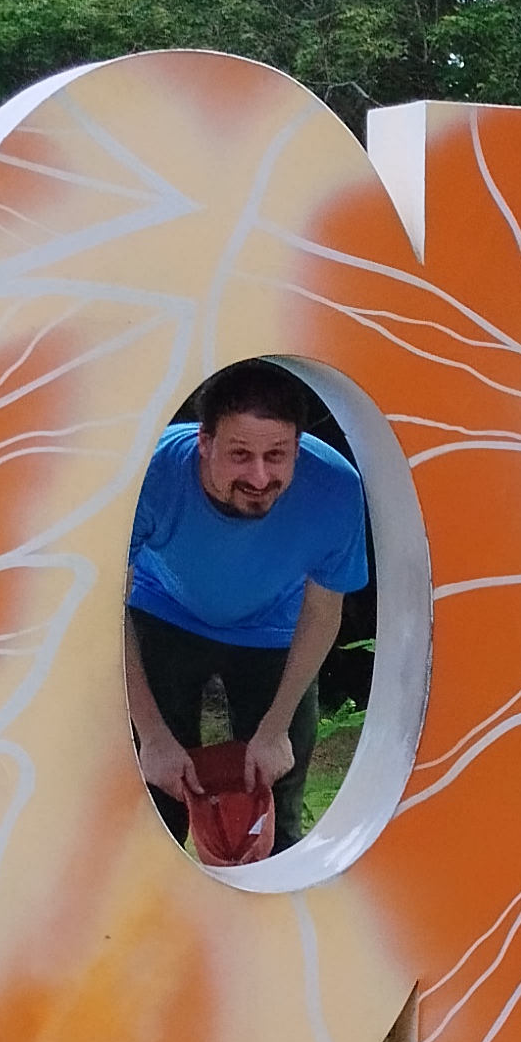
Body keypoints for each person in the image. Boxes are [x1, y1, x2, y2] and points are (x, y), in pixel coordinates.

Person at [123, 361, 370, 858]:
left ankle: (277, 915)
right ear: (204, 442)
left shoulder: (335, 489)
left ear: (297, 448)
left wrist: (276, 729)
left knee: (277, 786)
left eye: (276, 455)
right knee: (151, 792)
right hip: (161, 609)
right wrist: (151, 736)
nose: (259, 476)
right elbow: (103, 610)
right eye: (240, 455)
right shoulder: (150, 472)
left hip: (273, 631)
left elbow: (323, 613)